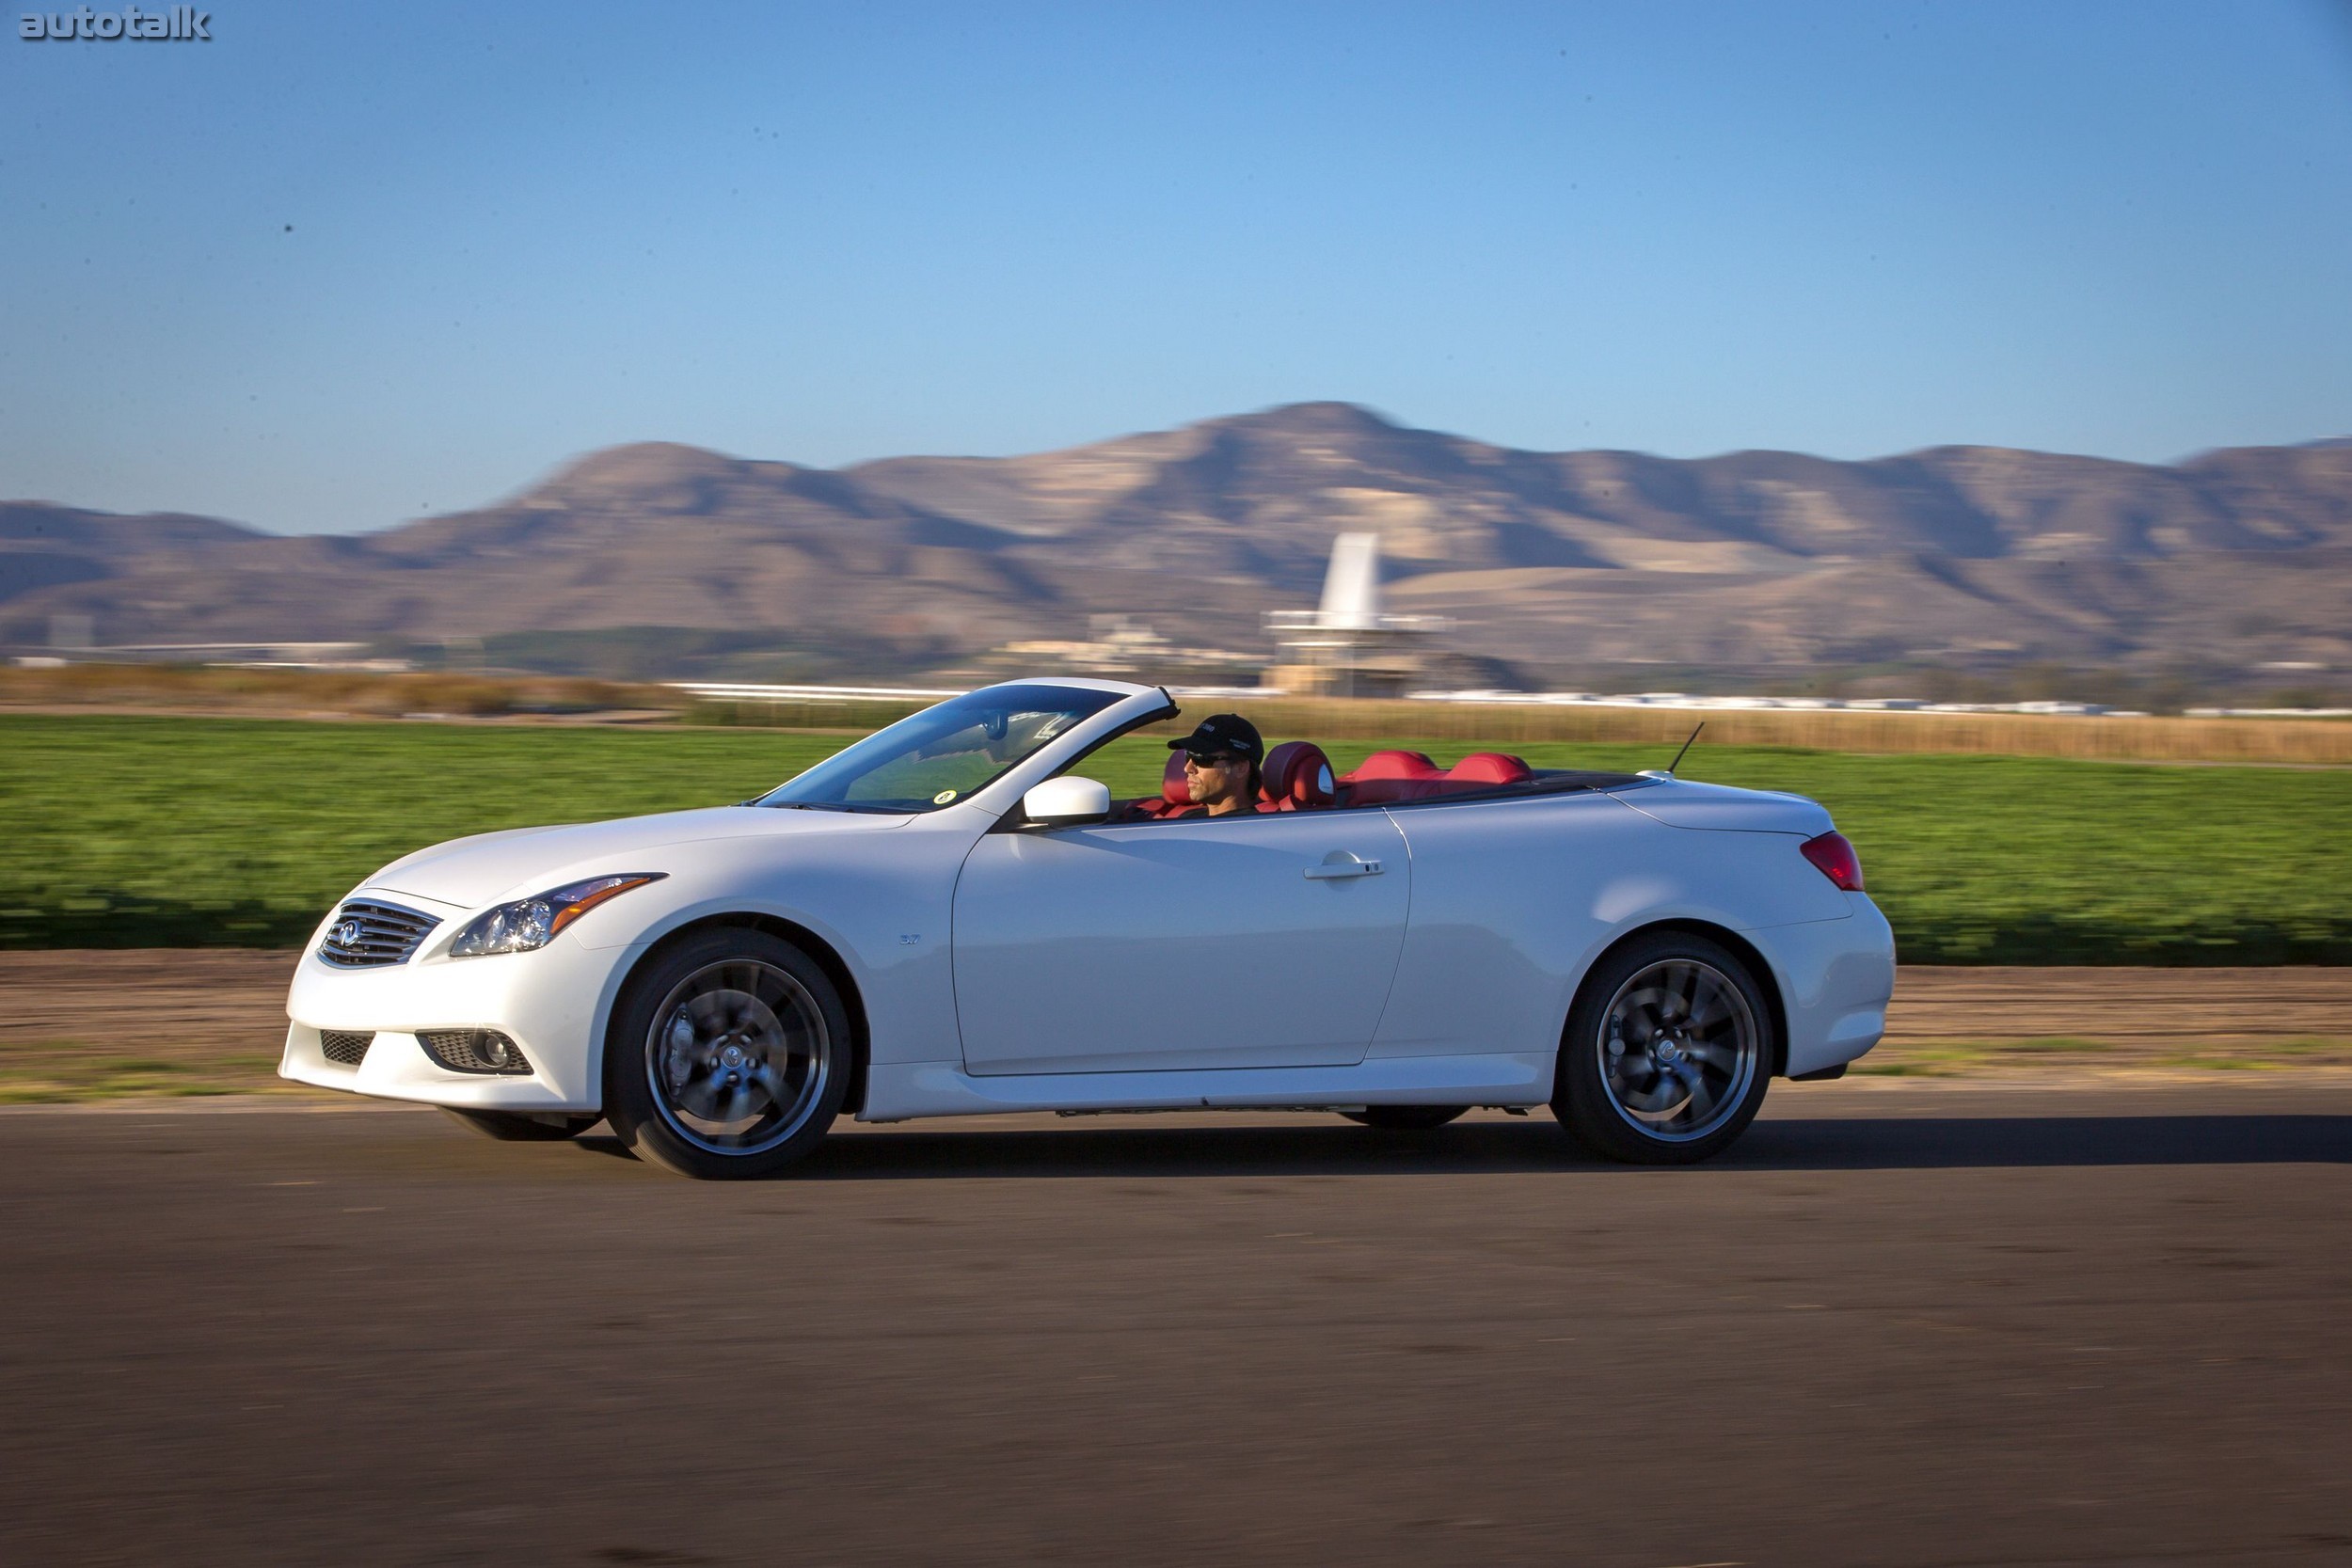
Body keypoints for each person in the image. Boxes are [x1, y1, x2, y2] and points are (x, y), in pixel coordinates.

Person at [1167, 713, 1263, 816]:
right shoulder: (1190, 817)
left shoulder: (1249, 825)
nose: (1187, 768)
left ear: (1240, 768)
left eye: (1201, 759)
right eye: (1188, 756)